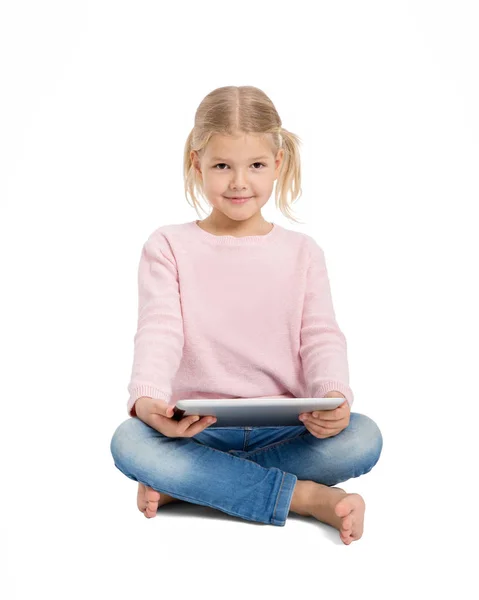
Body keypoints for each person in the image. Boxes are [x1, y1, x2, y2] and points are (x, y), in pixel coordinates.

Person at [110, 85, 383, 545]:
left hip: (286, 430)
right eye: (222, 166)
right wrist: (148, 399)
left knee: (363, 437)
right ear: (197, 165)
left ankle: (194, 485)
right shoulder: (169, 245)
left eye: (255, 165)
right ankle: (307, 499)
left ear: (278, 165)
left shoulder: (302, 252)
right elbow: (159, 329)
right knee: (129, 441)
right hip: (194, 433)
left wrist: (332, 394)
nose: (239, 182)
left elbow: (320, 335)